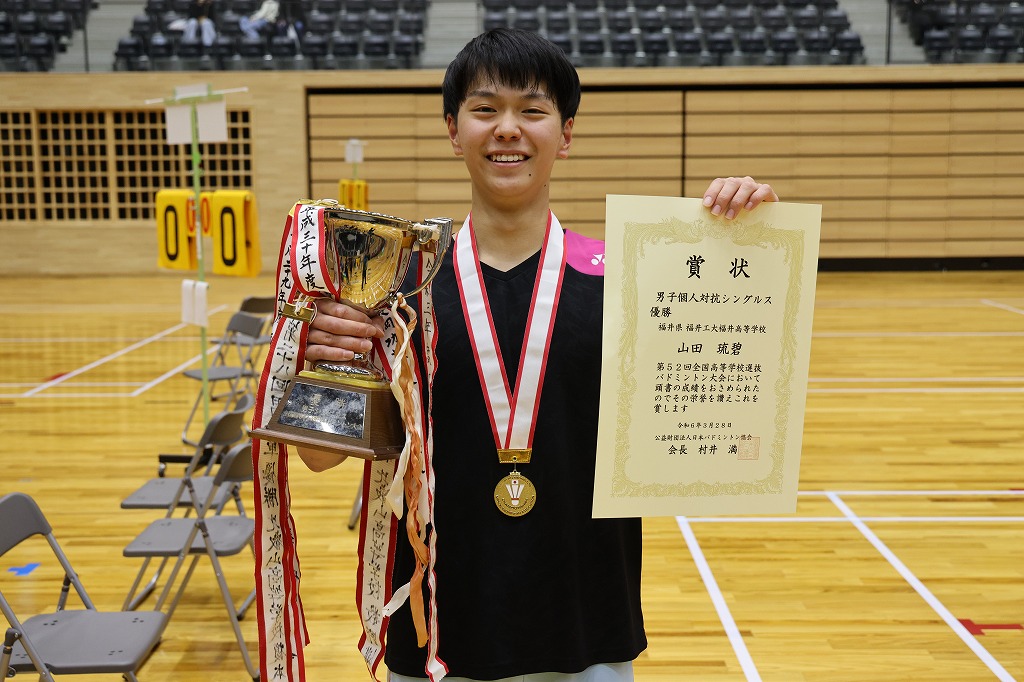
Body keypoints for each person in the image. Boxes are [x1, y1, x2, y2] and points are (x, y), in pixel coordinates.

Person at [295, 28, 778, 682]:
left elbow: (727, 417)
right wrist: (326, 363)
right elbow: (320, 455)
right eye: (485, 108)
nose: (508, 128)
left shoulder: (628, 280)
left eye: (532, 109)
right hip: (436, 633)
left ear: (566, 133)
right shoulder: (394, 284)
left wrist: (749, 238)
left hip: (585, 628)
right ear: (453, 129)